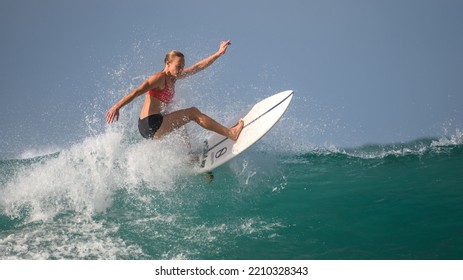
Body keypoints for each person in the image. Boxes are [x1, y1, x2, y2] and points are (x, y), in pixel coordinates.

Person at [105, 40, 244, 142]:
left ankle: (189, 158)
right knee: (193, 113)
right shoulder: (159, 78)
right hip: (150, 123)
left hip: (151, 124)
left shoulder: (174, 78)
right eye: (178, 66)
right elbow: (137, 91)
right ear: (168, 64)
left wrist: (219, 53)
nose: (181, 69)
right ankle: (231, 133)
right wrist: (117, 106)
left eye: (182, 66)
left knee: (181, 120)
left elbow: (198, 67)